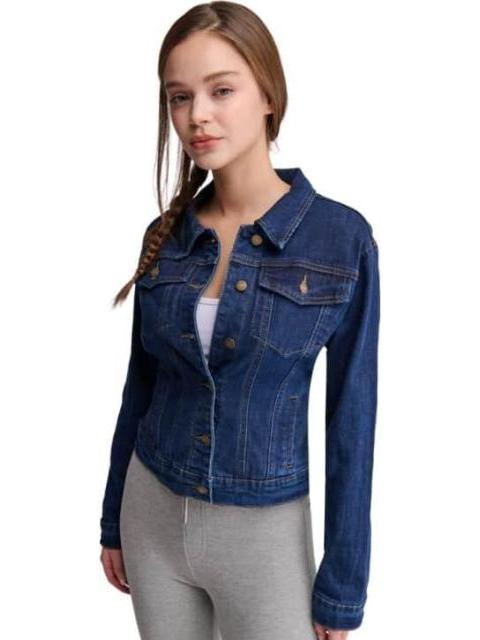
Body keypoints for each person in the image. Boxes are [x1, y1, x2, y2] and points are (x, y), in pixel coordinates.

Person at [99, 3, 380, 640]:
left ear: (268, 96)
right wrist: (113, 517)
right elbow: (140, 387)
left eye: (221, 90)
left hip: (265, 538)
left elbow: (352, 419)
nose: (197, 115)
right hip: (151, 514)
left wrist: (343, 585)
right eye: (180, 97)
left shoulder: (341, 240)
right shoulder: (167, 235)